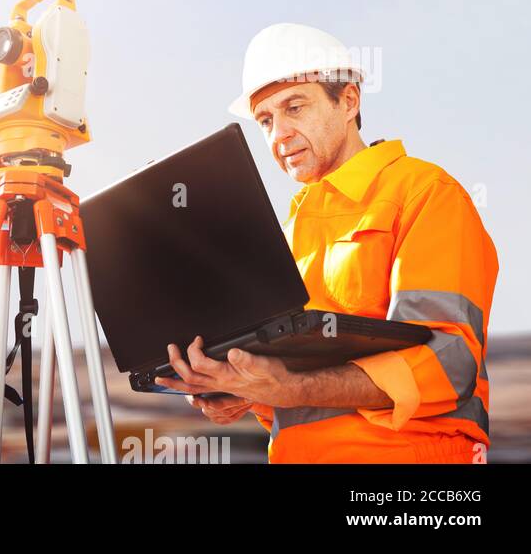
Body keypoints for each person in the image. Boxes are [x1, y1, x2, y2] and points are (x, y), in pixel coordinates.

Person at [154, 23, 498, 463]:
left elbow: (450, 364)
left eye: (294, 107)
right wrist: (241, 388)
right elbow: (302, 389)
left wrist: (289, 387)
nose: (278, 135)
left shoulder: (424, 191)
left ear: (349, 101)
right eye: (265, 120)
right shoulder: (289, 231)